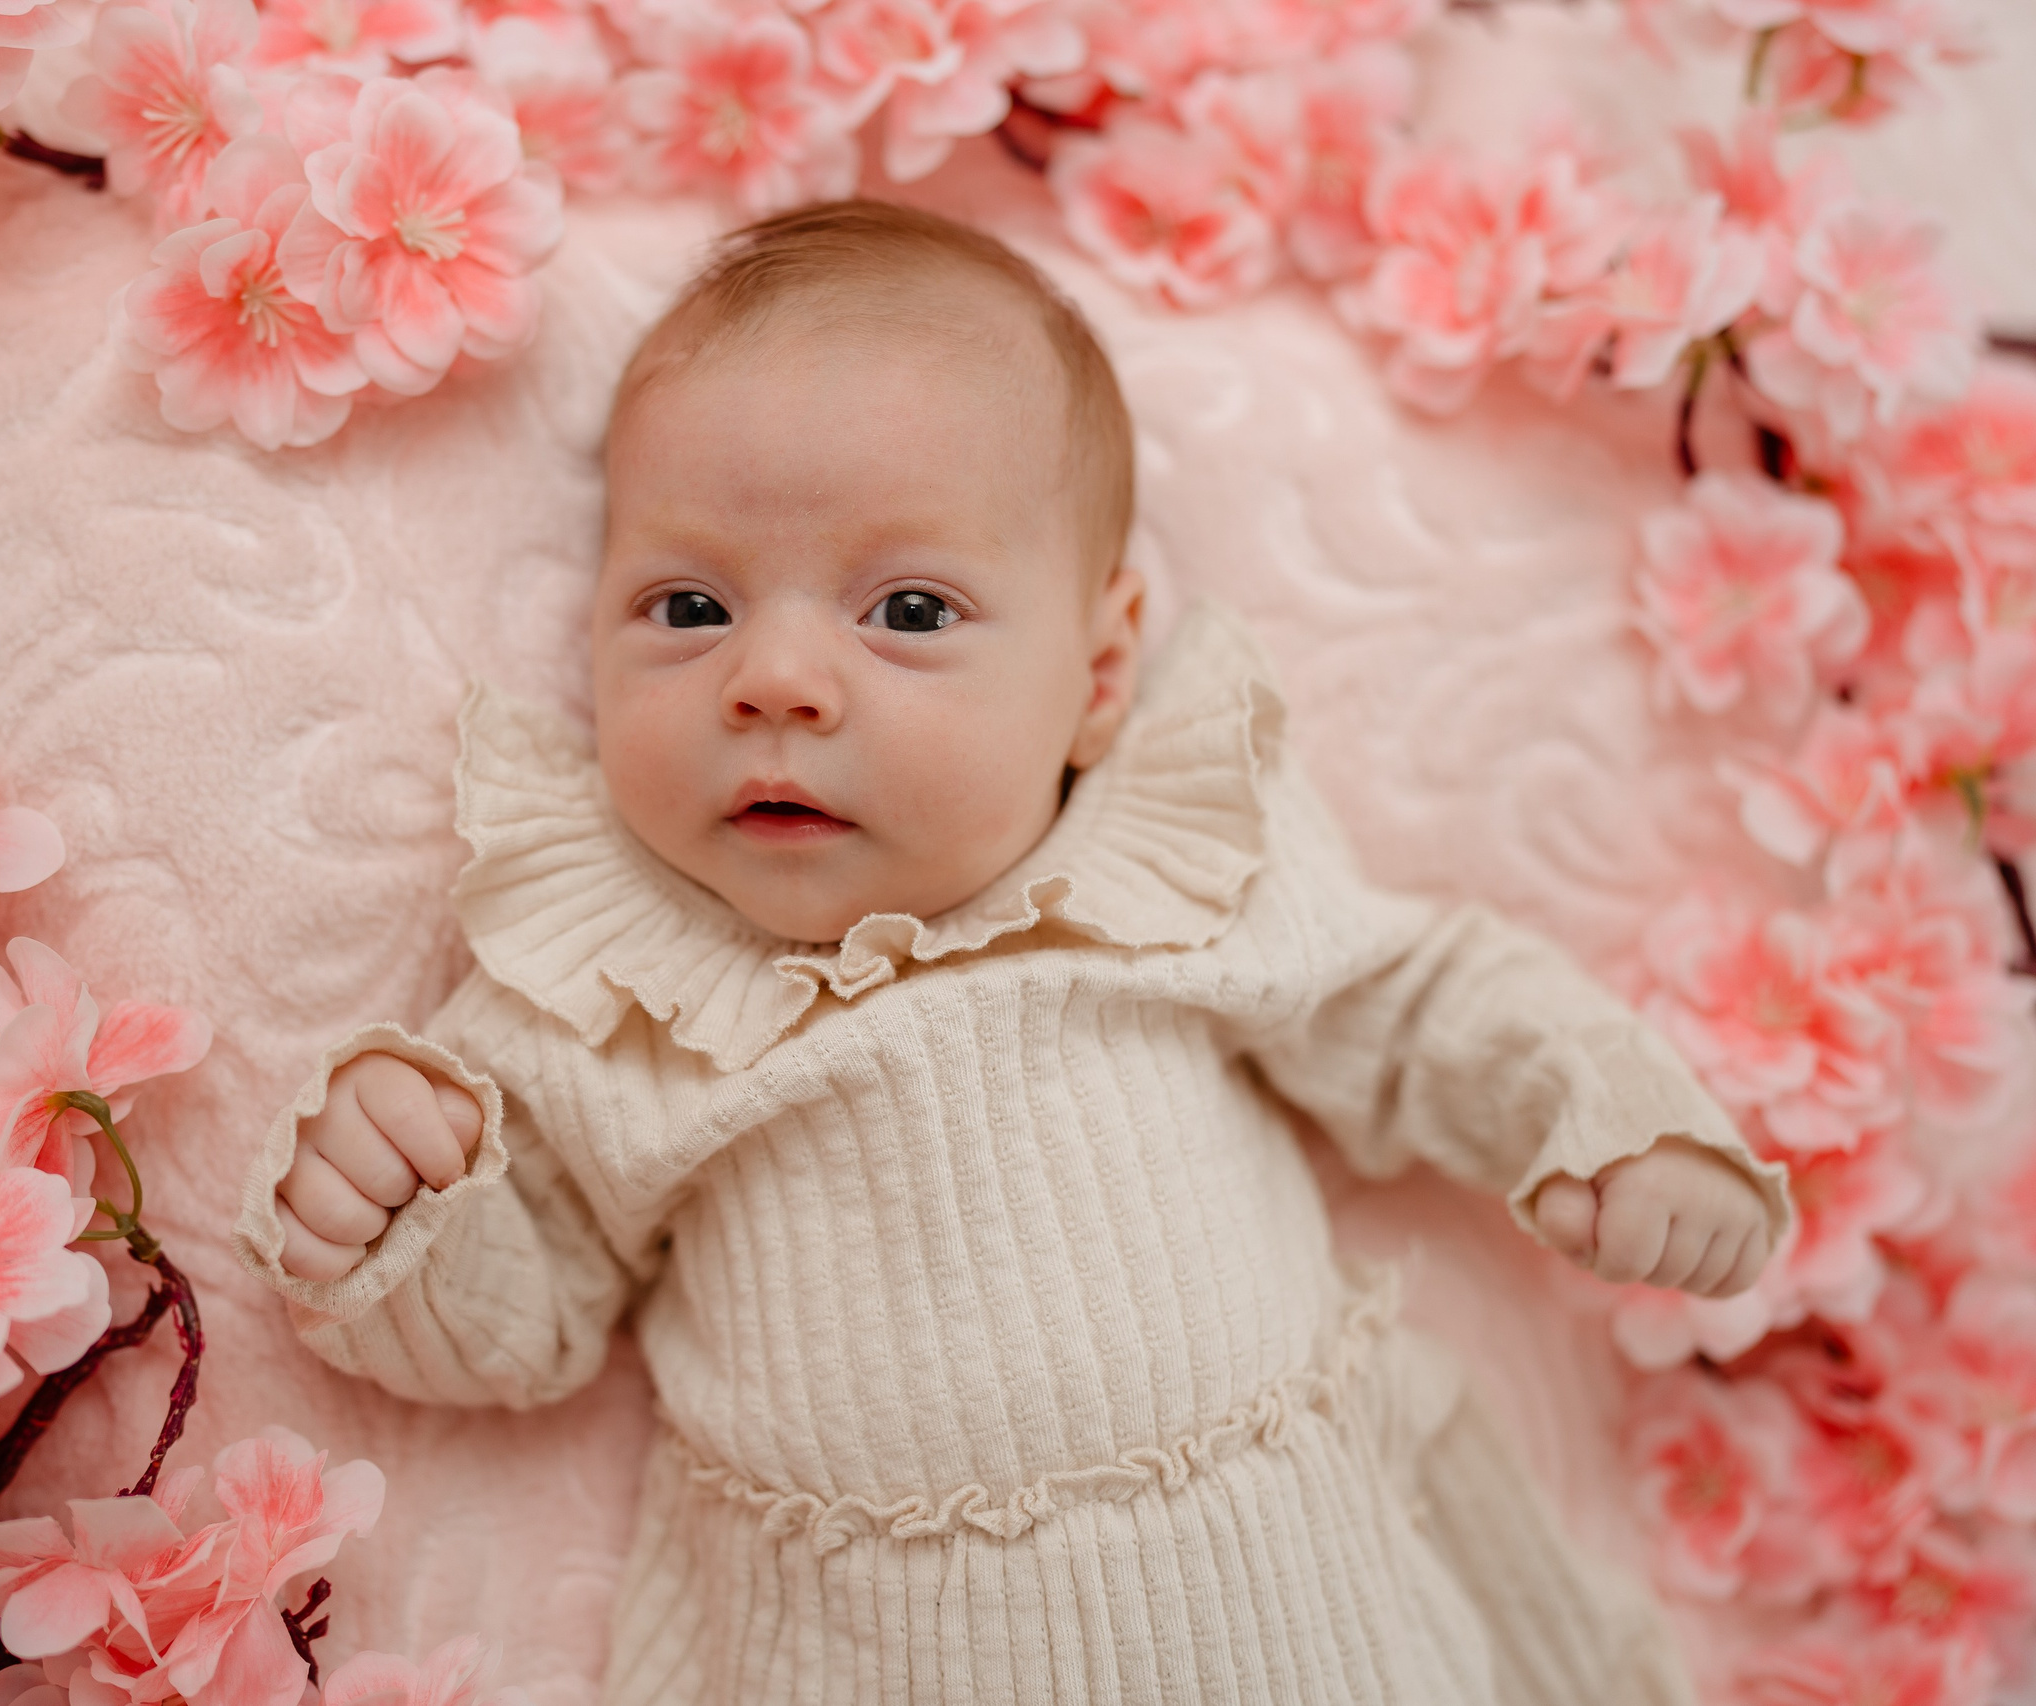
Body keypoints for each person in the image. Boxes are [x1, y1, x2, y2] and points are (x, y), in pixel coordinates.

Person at [232, 199, 1789, 1705]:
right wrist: (407, 1214)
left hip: (1299, 1616)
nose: (774, 676)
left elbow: (1419, 1000)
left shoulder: (1174, 877)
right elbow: (526, 1325)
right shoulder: (612, 989)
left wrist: (1610, 1114)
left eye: (908, 608)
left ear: (1100, 672)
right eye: (687, 605)